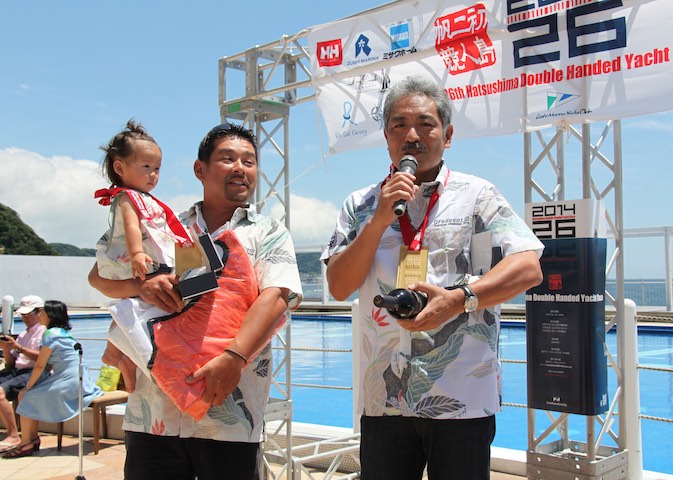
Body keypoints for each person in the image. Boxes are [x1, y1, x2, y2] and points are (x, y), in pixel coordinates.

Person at [321, 76, 544, 480]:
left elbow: (528, 266)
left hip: (462, 394)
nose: (412, 135)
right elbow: (338, 287)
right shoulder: (360, 204)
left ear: (448, 135)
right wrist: (378, 221)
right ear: (386, 136)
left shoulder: (478, 195)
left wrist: (459, 299)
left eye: (425, 124)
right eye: (399, 124)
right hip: (384, 396)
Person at [88, 123, 302, 480]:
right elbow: (98, 276)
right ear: (199, 169)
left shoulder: (268, 232)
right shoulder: (164, 224)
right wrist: (141, 286)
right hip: (152, 415)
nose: (240, 168)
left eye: (249, 161)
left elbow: (277, 296)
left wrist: (233, 358)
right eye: (228, 158)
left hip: (230, 420)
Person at [94, 119, 193, 393]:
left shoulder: (144, 198)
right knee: (134, 303)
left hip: (146, 260)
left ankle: (118, 356)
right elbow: (131, 227)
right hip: (135, 260)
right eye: (146, 167)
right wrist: (137, 253)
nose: (153, 175)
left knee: (136, 305)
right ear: (120, 168)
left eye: (157, 169)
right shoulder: (127, 197)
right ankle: (114, 354)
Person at [3, 300, 103, 458]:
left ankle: (26, 443)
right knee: (29, 395)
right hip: (77, 377)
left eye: (42, 312)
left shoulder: (50, 334)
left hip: (68, 380)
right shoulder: (62, 333)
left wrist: (28, 386)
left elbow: (40, 365)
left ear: (50, 315)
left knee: (26, 396)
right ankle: (32, 439)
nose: (39, 315)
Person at [0, 295, 47, 453]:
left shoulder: (45, 333)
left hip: (32, 372)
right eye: (23, 315)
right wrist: (6, 349)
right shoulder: (23, 334)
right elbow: (11, 363)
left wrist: (18, 348)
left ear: (40, 312)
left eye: (28, 315)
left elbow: (42, 359)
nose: (25, 318)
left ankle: (13, 434)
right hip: (17, 370)